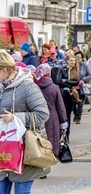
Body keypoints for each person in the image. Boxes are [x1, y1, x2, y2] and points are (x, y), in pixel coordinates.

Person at [0, 49, 51, 193]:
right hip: (2, 150)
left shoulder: (27, 86)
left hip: (24, 150)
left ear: (4, 70)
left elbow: (43, 114)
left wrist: (15, 118)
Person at [33, 64, 68, 159]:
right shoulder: (54, 87)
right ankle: (51, 157)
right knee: (52, 139)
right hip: (52, 117)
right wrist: (63, 121)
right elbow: (60, 107)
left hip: (37, 117)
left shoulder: (33, 87)